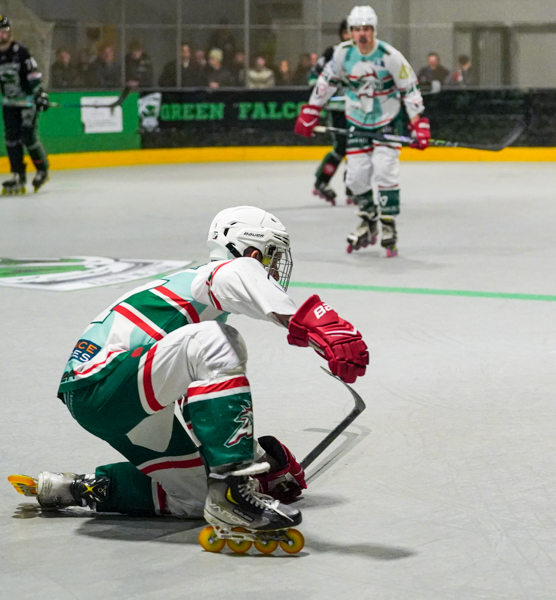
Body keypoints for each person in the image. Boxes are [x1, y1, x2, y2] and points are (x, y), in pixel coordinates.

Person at [14, 206, 369, 545]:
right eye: (271, 255)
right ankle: (233, 489)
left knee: (196, 500)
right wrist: (319, 325)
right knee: (217, 341)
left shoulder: (196, 317)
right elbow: (238, 273)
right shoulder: (208, 280)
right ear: (249, 250)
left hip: (117, 401)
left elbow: (198, 410)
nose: (275, 267)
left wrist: (263, 461)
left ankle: (77, 488)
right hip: (105, 382)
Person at [295, 6, 429, 257]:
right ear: (351, 32)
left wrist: (417, 122)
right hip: (357, 120)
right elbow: (326, 82)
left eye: (367, 29)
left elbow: (409, 88)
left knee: (385, 170)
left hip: (387, 121)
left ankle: (388, 225)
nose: (362, 34)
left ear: (374, 30)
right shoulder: (342, 54)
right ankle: (368, 220)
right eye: (357, 29)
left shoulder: (390, 56)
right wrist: (312, 109)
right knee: (355, 178)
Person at [0, 15, 50, 195]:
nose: (1, 35)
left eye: (4, 31)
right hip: (9, 103)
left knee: (27, 135)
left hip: (27, 102)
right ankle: (18, 175)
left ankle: (42, 169)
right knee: (11, 139)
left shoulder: (20, 51)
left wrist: (40, 94)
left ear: (9, 32)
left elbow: (33, 75)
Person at [306, 19, 351, 205]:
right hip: (338, 109)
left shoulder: (364, 54)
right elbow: (313, 78)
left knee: (359, 149)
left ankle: (354, 188)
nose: (351, 36)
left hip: (360, 110)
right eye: (347, 32)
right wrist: (319, 100)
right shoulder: (333, 53)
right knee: (341, 147)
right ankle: (321, 183)